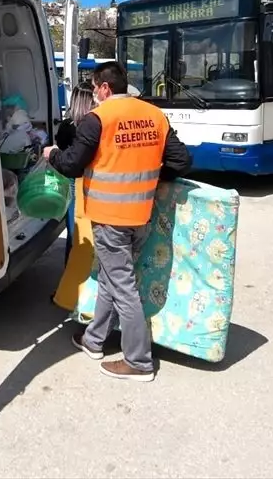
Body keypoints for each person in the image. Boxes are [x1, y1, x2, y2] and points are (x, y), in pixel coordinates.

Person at [42, 61, 192, 381]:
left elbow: (71, 165)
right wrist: (151, 176)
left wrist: (51, 154)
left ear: (105, 88)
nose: (94, 94)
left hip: (110, 218)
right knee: (111, 279)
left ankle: (138, 361)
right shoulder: (154, 115)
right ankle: (94, 340)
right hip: (141, 215)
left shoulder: (98, 119)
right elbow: (181, 160)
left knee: (123, 288)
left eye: (95, 88)